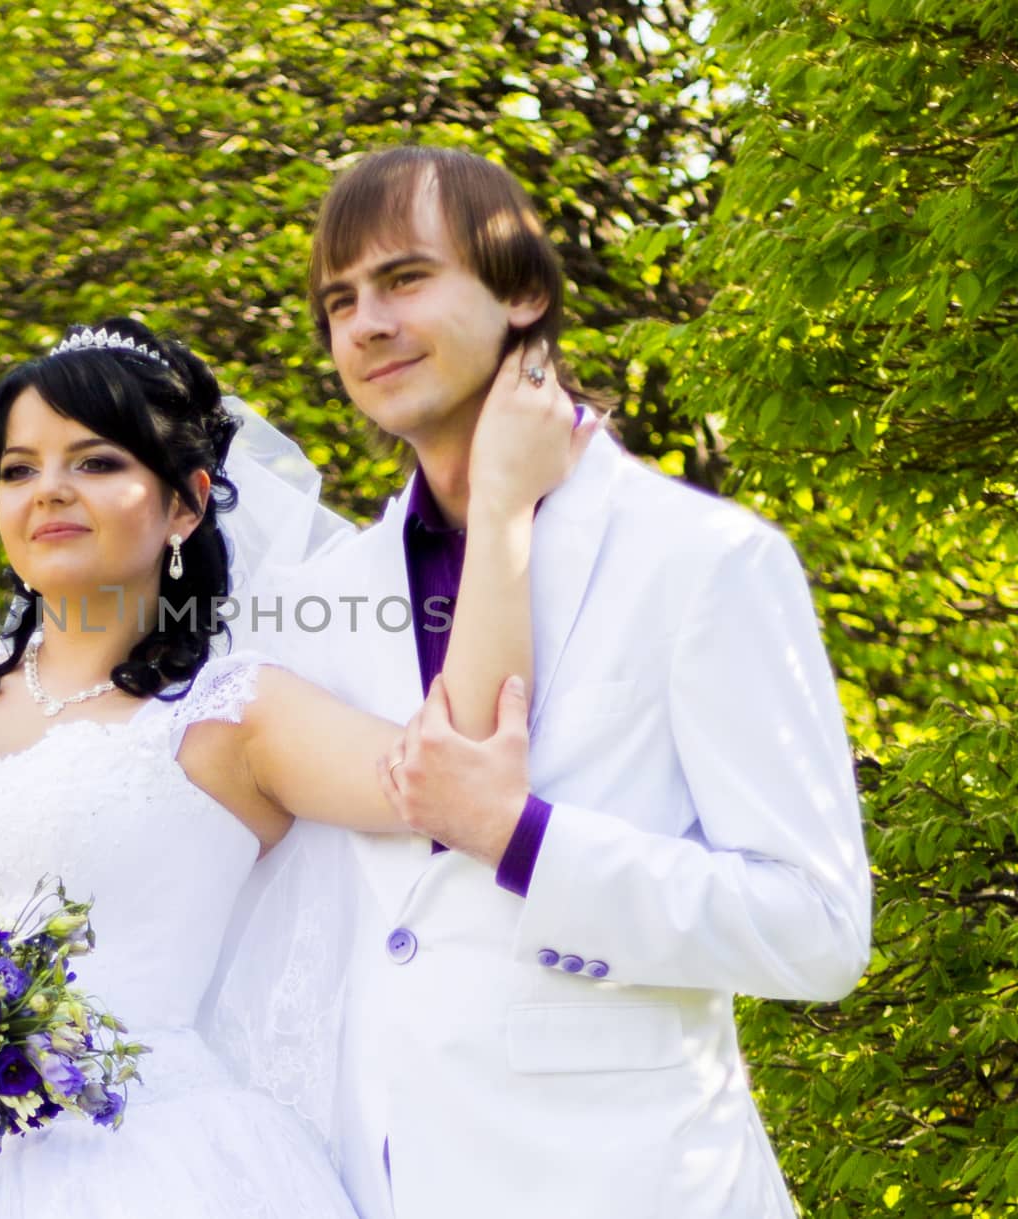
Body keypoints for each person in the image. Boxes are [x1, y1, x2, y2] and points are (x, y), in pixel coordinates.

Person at [0, 316, 587, 1218]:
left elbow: (456, 761)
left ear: (187, 504)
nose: (49, 491)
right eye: (19, 468)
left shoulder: (229, 713)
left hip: (161, 1166)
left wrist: (503, 506)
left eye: (97, 462)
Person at [266, 145, 873, 1218]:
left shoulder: (705, 559)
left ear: (523, 292)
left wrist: (526, 840)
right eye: (337, 299)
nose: (363, 323)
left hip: (632, 1184)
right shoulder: (328, 589)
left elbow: (815, 926)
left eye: (404, 278)